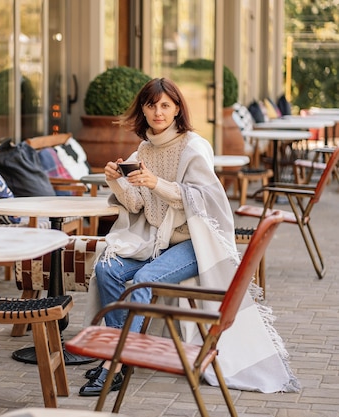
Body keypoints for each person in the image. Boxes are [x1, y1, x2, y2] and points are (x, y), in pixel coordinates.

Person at [79, 77, 237, 396]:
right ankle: (119, 352)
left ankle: (117, 361)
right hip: (158, 241)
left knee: (144, 280)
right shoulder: (144, 149)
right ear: (143, 110)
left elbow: (205, 201)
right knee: (106, 269)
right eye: (151, 105)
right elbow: (139, 205)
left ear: (178, 108)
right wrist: (116, 182)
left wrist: (156, 184)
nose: (158, 112)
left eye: (165, 105)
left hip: (196, 241)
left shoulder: (194, 146)